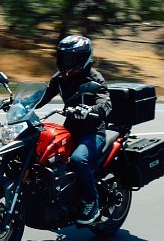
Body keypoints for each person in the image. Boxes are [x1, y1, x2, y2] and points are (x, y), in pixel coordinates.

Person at [35, 35, 113, 225]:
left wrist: (91, 110)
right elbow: (43, 96)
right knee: (42, 152)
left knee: (78, 160)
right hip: (70, 129)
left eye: (71, 58)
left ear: (83, 58)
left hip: (93, 132)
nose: (66, 63)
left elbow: (106, 103)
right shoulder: (60, 78)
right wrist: (19, 103)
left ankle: (92, 202)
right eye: (63, 58)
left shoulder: (94, 78)